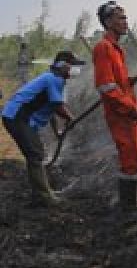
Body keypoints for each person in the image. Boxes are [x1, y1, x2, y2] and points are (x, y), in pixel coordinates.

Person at [93, 0, 137, 224]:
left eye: (125, 17)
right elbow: (106, 87)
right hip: (120, 113)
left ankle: (136, 198)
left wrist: (131, 92)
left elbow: (117, 82)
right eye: (120, 18)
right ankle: (128, 208)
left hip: (129, 109)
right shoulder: (103, 48)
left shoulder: (117, 48)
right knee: (130, 157)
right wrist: (129, 107)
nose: (125, 22)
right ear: (108, 22)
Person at [2, 50, 83, 206]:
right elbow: (58, 107)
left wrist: (57, 131)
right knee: (35, 154)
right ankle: (43, 197)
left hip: (20, 118)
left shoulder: (56, 80)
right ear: (63, 65)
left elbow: (51, 109)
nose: (75, 70)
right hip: (17, 116)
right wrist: (71, 118)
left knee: (35, 153)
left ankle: (41, 192)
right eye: (73, 65)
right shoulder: (53, 79)